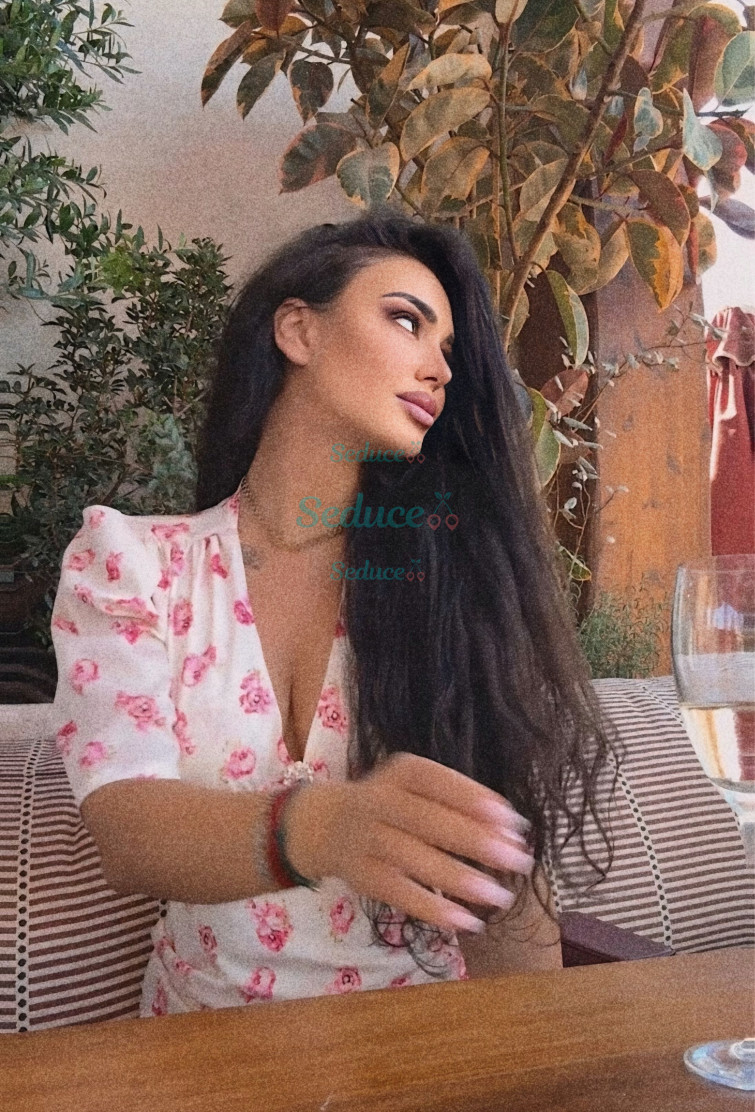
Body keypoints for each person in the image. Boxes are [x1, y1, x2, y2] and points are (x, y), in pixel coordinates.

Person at [50, 210, 624, 1016]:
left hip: (420, 1043)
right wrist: (322, 828)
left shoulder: (450, 585)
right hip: (197, 1053)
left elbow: (505, 898)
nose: (439, 369)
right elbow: (127, 827)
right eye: (406, 321)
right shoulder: (133, 565)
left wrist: (527, 1060)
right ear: (298, 330)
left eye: (448, 349)